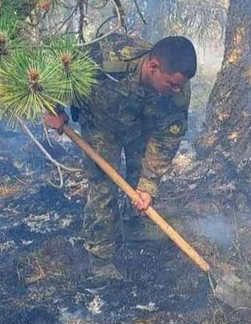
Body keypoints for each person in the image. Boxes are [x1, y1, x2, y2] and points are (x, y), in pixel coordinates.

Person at [43, 33, 197, 277]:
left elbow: (167, 138)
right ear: (153, 66)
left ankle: (134, 226)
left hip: (142, 126)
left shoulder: (177, 91)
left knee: (138, 182)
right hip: (101, 124)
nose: (177, 90)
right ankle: (100, 255)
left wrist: (148, 186)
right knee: (104, 187)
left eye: (180, 85)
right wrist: (53, 109)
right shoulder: (107, 58)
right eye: (172, 84)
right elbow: (53, 72)